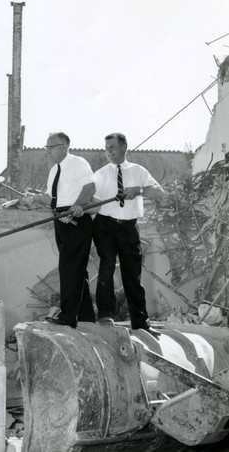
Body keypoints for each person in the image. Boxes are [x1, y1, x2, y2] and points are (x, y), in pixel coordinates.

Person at [92, 132, 164, 338]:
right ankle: (105, 316)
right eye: (106, 149)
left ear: (124, 147)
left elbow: (159, 192)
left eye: (112, 148)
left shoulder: (138, 171)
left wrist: (138, 190)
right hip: (104, 226)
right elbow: (92, 200)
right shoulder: (100, 174)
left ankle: (140, 323)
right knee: (106, 265)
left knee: (132, 274)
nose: (108, 152)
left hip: (129, 227)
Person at [24, 132, 96, 328]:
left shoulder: (78, 163)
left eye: (51, 147)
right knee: (77, 270)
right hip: (60, 219)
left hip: (77, 219)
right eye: (46, 148)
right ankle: (86, 317)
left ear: (63, 146)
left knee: (68, 268)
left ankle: (68, 317)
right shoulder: (54, 170)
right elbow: (52, 198)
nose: (47, 151)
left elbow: (89, 188)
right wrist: (35, 198)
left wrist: (73, 211)